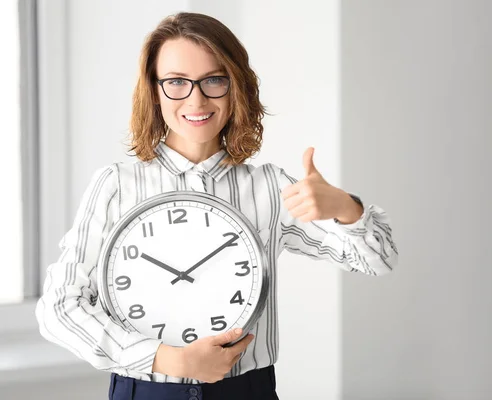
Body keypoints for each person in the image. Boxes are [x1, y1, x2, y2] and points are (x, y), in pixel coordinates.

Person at [35, 12, 398, 400]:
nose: (197, 98)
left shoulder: (269, 186)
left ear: (235, 86)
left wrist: (345, 207)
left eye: (213, 80)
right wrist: (169, 360)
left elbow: (380, 260)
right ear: (154, 90)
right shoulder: (116, 185)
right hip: (146, 391)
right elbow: (59, 309)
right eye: (176, 82)